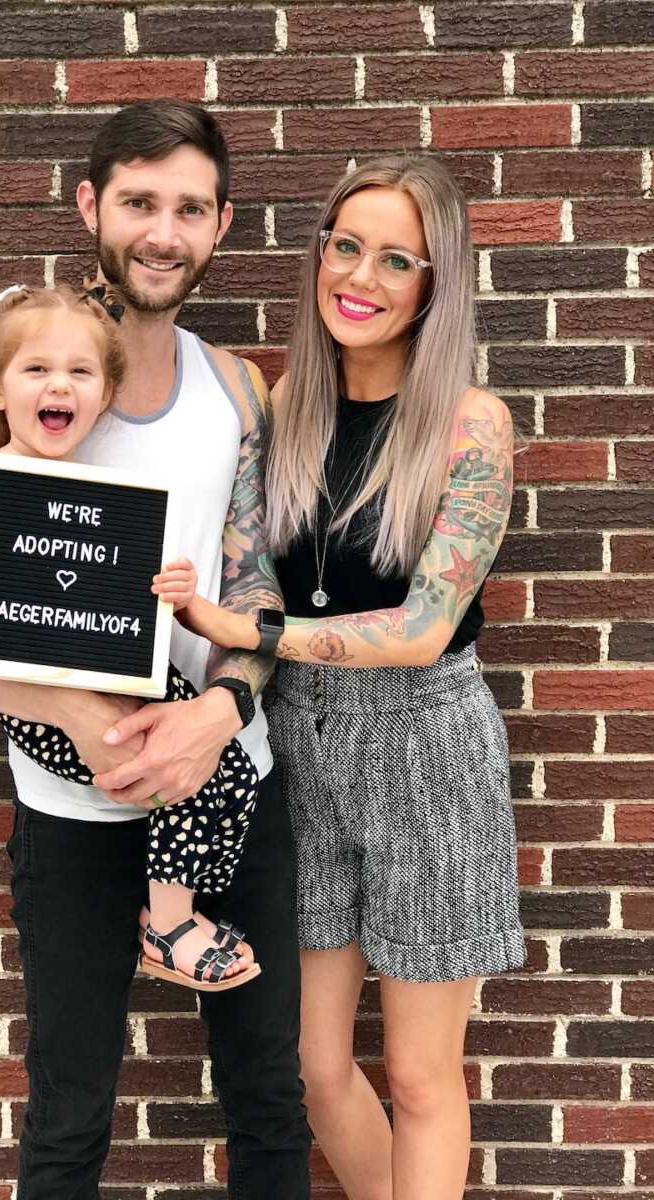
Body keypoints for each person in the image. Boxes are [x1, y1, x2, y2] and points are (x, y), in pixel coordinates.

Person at [0, 101, 311, 1199]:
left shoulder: (241, 388)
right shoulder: (14, 368)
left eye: (189, 208)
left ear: (220, 226)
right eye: (139, 202)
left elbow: (258, 593)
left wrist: (218, 716)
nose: (163, 231)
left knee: (268, 1094)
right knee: (69, 1109)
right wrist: (75, 717)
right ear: (89, 206)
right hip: (70, 804)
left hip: (222, 783)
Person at [176, 155, 526, 1200]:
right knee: (316, 1067)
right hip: (298, 750)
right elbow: (243, 594)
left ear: (434, 283)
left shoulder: (472, 424)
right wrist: (219, 687)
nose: (360, 275)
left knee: (420, 1074)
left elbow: (422, 631)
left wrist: (252, 632)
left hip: (429, 747)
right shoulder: (283, 412)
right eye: (345, 245)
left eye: (394, 258)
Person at [0, 281, 264, 992]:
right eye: (36, 370)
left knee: (214, 766)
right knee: (179, 779)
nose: (59, 387)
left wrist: (169, 589)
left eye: (80, 373)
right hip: (44, 689)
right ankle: (168, 927)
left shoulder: (104, 486)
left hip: (123, 666)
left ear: (104, 396)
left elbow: (123, 588)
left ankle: (171, 918)